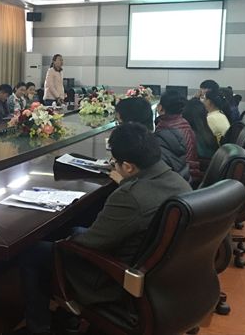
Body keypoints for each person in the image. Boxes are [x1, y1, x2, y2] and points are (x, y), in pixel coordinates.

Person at [16, 123, 191, 335]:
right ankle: (67, 319)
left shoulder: (130, 196)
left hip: (113, 282)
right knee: (77, 228)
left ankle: (38, 328)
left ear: (128, 167)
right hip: (158, 280)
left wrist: (68, 237)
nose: (113, 166)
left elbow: (89, 243)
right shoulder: (179, 181)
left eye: (114, 162)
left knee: (32, 251)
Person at [115, 97, 190, 182]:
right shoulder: (165, 138)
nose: (117, 128)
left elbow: (153, 185)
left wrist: (122, 181)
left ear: (130, 125)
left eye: (119, 123)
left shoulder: (150, 152)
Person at [155, 90, 201, 183]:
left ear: (160, 107)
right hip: (189, 175)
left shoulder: (167, 128)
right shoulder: (183, 123)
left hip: (181, 179)